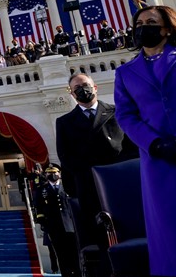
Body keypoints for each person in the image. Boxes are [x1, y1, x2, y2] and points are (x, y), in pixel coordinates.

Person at [114, 5, 176, 277]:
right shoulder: (126, 72)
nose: (143, 27)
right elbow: (126, 116)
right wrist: (154, 144)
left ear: (167, 27)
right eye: (139, 23)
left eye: (151, 22)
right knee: (171, 232)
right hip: (159, 161)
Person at [56, 73, 138, 246]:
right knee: (100, 237)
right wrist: (91, 173)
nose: (82, 90)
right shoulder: (64, 122)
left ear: (95, 87)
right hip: (90, 186)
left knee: (131, 231)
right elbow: (65, 156)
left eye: (85, 85)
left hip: (121, 182)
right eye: (76, 88)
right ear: (72, 94)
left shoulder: (116, 112)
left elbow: (132, 147)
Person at [34, 164, 82, 277]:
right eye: (50, 173)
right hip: (53, 226)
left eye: (55, 172)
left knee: (74, 252)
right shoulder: (42, 189)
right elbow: (39, 207)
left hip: (70, 224)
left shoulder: (67, 186)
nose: (53, 175)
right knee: (61, 253)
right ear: (46, 175)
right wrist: (43, 222)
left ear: (59, 173)